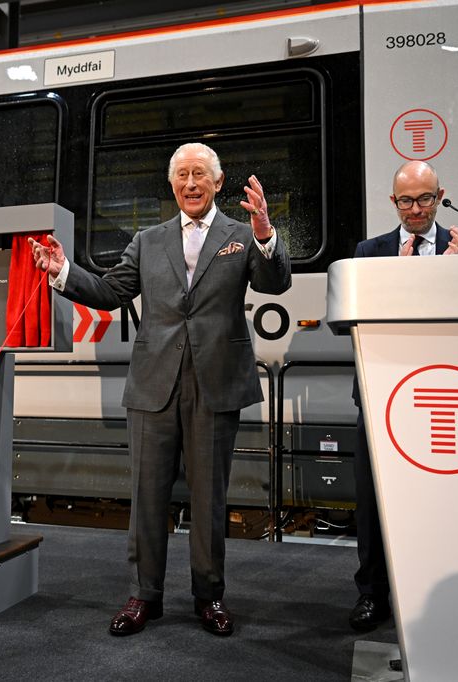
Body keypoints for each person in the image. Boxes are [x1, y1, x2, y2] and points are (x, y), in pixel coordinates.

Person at [28, 142, 291, 637]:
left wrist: (266, 235)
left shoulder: (242, 235)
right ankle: (143, 596)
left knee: (210, 500)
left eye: (200, 175)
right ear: (172, 185)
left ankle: (208, 597)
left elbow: (275, 283)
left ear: (217, 182)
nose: (190, 184)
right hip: (153, 386)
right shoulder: (148, 240)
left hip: (216, 385)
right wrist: (62, 270)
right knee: (147, 497)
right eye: (182, 176)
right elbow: (110, 291)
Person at [348, 160, 458, 631]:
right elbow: (356, 320)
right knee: (373, 502)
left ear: (440, 196)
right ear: (393, 203)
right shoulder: (371, 252)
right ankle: (372, 595)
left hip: (446, 397)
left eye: (425, 198)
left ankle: (439, 592)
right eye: (405, 201)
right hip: (382, 391)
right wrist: (399, 279)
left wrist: (450, 281)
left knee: (443, 499)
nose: (415, 209)